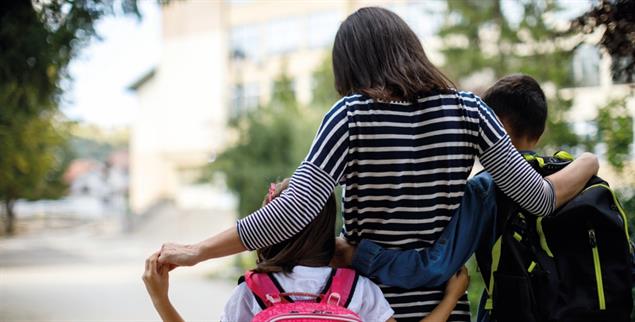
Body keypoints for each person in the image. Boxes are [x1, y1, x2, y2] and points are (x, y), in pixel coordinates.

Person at [157, 8, 599, 322]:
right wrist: (588, 160)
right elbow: (540, 200)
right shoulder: (470, 111)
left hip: (365, 306)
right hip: (447, 304)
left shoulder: (350, 115)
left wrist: (197, 251)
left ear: (351, 65)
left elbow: (293, 211)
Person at [330, 74, 554, 289]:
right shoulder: (563, 174)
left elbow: (433, 266)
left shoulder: (485, 190)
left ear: (494, 126)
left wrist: (355, 255)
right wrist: (587, 163)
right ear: (540, 133)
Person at [143, 179, 470, 322]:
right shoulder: (358, 290)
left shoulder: (252, 293)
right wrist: (451, 298)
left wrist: (161, 299)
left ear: (270, 231)